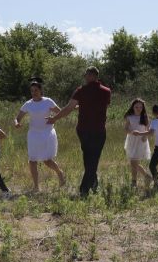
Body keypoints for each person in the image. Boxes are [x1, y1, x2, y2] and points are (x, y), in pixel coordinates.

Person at [47, 66, 112, 197]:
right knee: (92, 159)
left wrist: (55, 118)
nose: (85, 77)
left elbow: (68, 108)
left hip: (84, 130)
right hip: (98, 130)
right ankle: (93, 184)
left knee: (89, 158)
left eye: (86, 75)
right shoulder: (106, 91)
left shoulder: (81, 90)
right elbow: (102, 106)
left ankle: (84, 189)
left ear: (92, 75)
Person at [14, 79, 66, 192]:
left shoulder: (48, 101)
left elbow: (61, 112)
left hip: (46, 133)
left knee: (47, 160)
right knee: (32, 160)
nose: (34, 93)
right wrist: (17, 123)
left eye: (36, 90)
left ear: (41, 90)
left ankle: (60, 173)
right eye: (32, 91)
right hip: (33, 134)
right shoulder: (28, 104)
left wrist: (54, 118)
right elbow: (17, 118)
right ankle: (36, 187)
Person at [124, 98, 152, 188]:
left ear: (143, 108)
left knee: (134, 162)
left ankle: (135, 182)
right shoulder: (130, 117)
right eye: (136, 107)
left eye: (140, 107)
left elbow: (148, 130)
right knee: (133, 162)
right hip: (131, 140)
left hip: (141, 141)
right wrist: (131, 132)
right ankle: (145, 177)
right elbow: (126, 129)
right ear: (133, 107)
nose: (138, 109)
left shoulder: (145, 117)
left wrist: (145, 137)